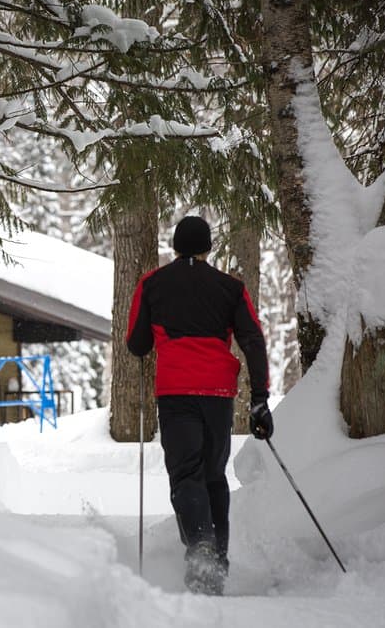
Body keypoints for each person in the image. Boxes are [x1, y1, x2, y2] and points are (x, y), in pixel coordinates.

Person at [126, 216, 273, 595]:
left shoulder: (152, 284)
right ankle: (215, 564)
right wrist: (260, 399)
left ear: (175, 247)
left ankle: (201, 548)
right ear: (208, 248)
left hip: (176, 392)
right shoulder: (230, 288)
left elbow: (137, 343)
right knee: (212, 475)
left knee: (186, 474)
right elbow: (253, 340)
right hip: (217, 395)